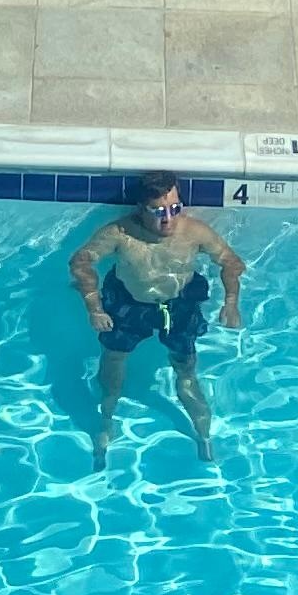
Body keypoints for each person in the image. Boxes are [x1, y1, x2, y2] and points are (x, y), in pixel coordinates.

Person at [68, 171, 246, 464]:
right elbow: (80, 262)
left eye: (175, 208)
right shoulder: (120, 233)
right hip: (130, 305)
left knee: (186, 370)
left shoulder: (194, 232)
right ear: (141, 209)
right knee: (114, 360)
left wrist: (231, 302)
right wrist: (94, 306)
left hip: (179, 306)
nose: (169, 219)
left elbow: (231, 261)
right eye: (159, 211)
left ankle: (203, 435)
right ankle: (105, 423)